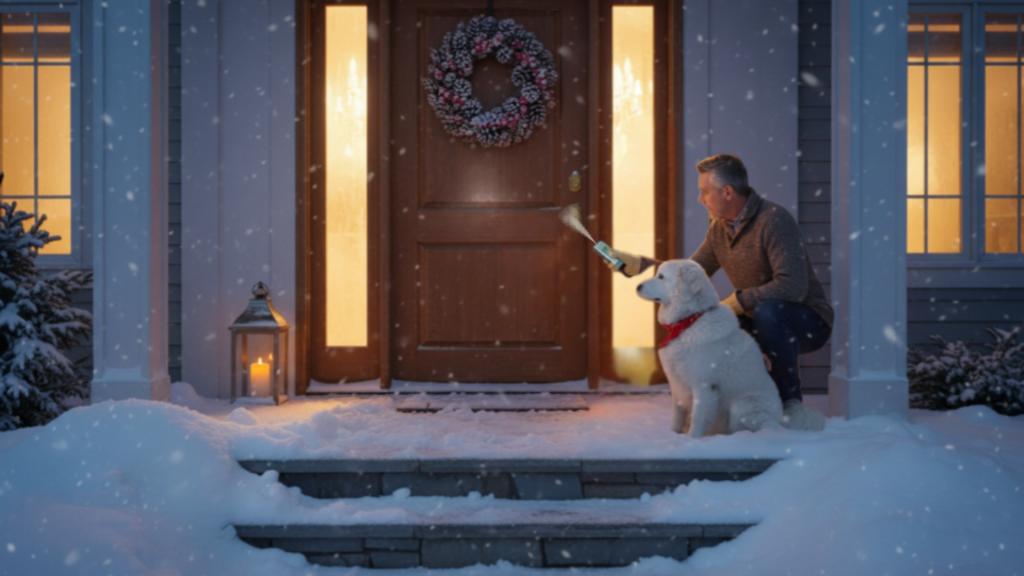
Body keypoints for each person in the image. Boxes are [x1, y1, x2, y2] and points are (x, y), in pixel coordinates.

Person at [611, 154, 832, 424]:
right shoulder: (720, 229)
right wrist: (644, 264)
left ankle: (790, 406)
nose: (700, 199)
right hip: (757, 314)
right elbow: (689, 272)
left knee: (767, 312)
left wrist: (738, 301)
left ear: (727, 192)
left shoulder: (774, 221)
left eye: (704, 191)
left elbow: (792, 287)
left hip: (807, 318)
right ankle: (728, 406)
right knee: (718, 322)